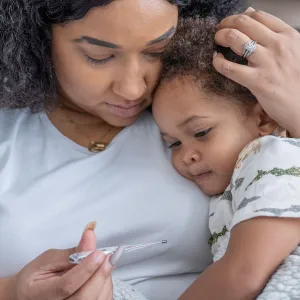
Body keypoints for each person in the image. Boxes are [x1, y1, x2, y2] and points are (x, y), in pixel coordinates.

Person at [0, 0, 300, 299]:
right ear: (36, 39)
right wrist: (14, 291)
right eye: (99, 56)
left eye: (157, 51)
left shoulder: (215, 105)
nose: (133, 89)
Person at [152, 16, 300, 300]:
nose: (187, 156)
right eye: (173, 144)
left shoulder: (273, 158)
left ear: (264, 118)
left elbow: (244, 273)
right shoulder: (237, 181)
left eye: (202, 132)